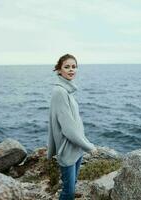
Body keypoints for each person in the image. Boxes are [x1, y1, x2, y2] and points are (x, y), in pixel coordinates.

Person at [47, 53, 98, 200]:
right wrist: (89, 147)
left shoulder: (68, 91)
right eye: (67, 67)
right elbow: (68, 128)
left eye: (74, 67)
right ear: (59, 70)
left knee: (72, 185)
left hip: (76, 148)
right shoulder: (60, 92)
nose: (71, 70)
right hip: (67, 149)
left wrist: (83, 143)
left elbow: (76, 123)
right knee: (68, 193)